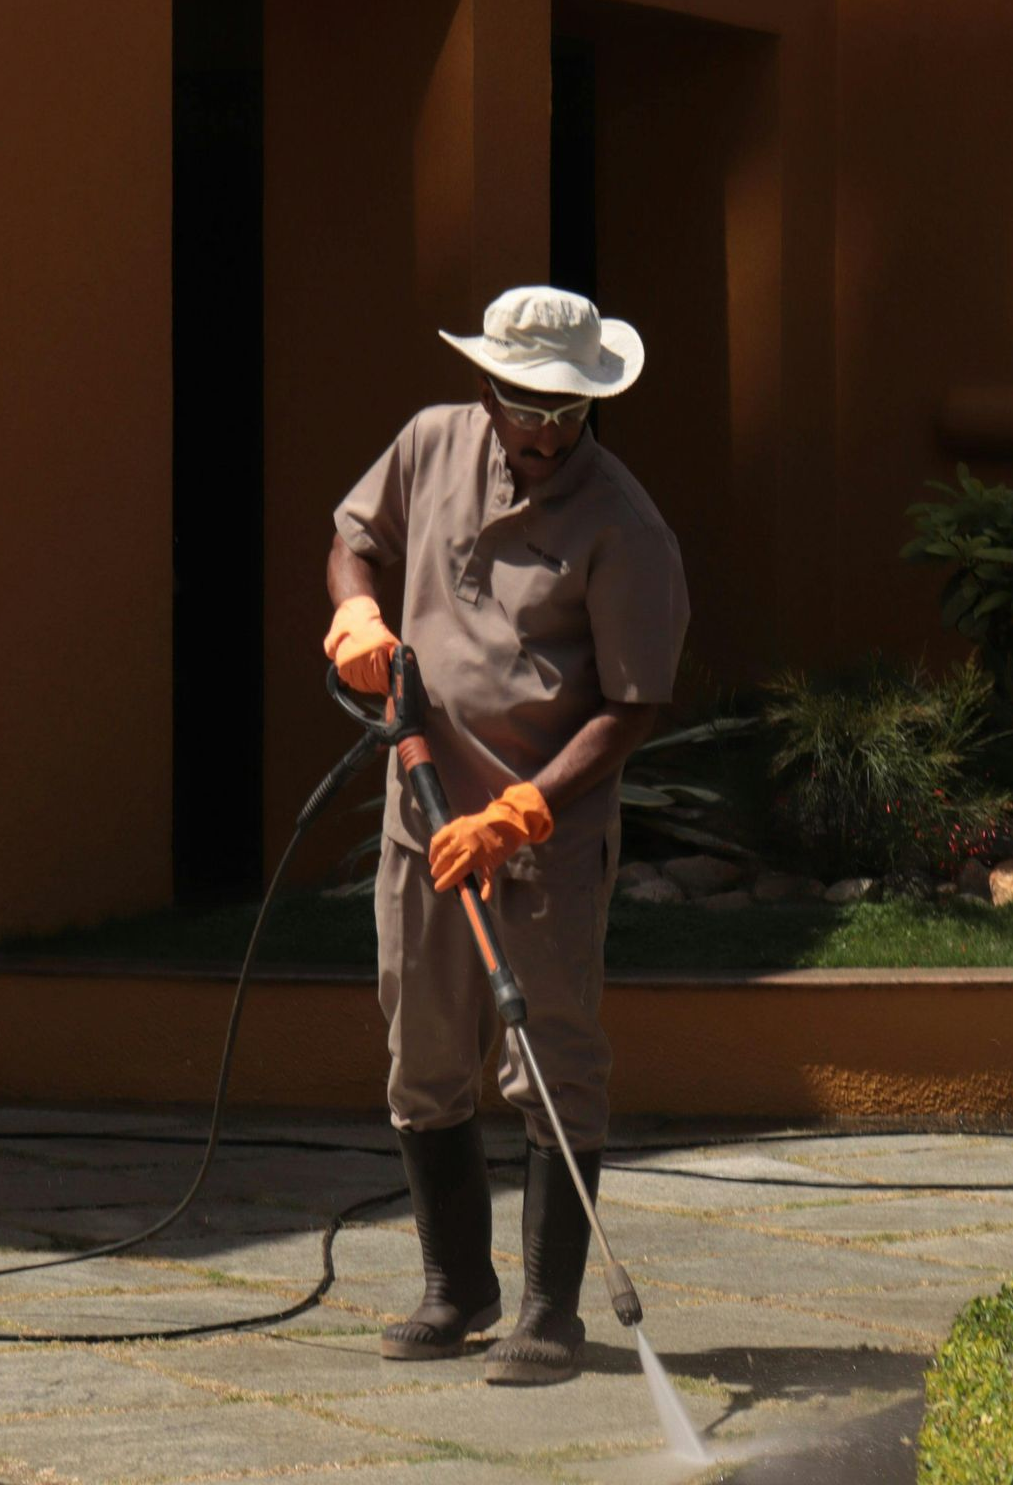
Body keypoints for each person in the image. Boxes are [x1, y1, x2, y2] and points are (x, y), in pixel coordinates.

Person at [323, 284, 688, 1386]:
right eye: (519, 401)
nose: (535, 428)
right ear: (489, 384)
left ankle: (547, 1311)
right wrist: (357, 613)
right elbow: (354, 537)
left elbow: (632, 704)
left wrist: (524, 807)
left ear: (590, 406)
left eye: (560, 410)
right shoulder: (432, 442)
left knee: (550, 1057)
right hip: (421, 819)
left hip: (542, 838)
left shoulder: (624, 526)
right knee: (423, 1058)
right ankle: (455, 1287)